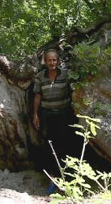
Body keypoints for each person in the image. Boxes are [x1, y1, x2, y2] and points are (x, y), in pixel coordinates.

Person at [32, 48, 78, 188]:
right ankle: (52, 176)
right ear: (44, 62)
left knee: (65, 143)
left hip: (64, 113)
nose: (52, 63)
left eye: (54, 60)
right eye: (49, 60)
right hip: (47, 114)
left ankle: (68, 176)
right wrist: (35, 114)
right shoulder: (40, 77)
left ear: (58, 61)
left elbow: (75, 91)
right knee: (49, 144)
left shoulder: (66, 74)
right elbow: (37, 96)